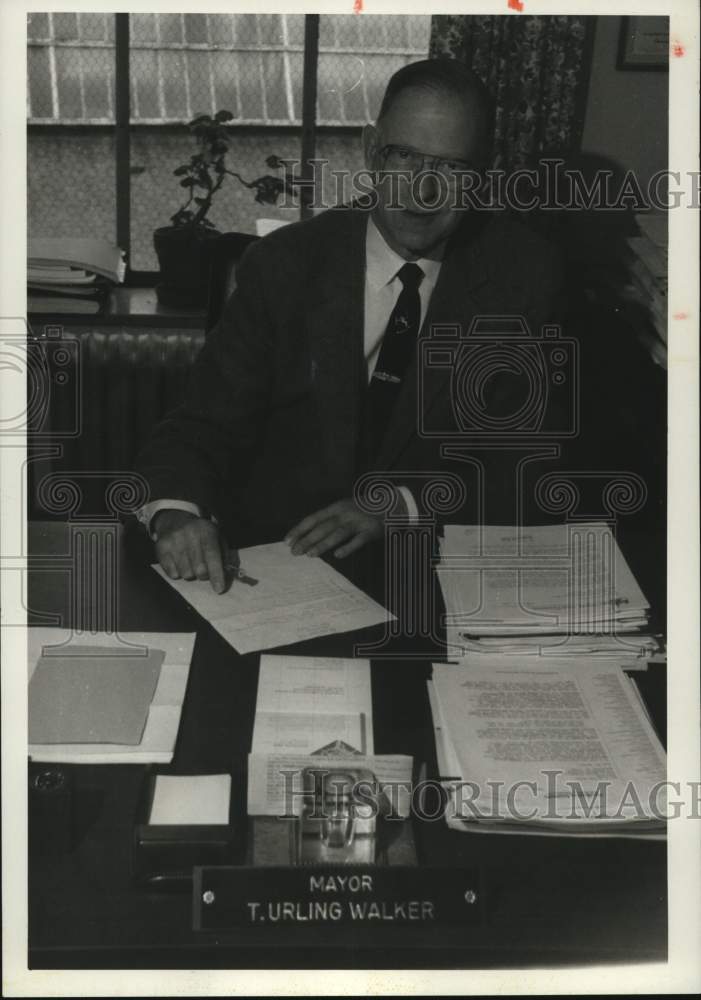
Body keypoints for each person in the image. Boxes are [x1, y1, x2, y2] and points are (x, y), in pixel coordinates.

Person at [135, 58, 562, 592]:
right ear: (369, 150)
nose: (422, 192)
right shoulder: (284, 265)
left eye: (452, 168)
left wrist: (402, 504)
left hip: (428, 571)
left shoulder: (524, 274)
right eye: (404, 156)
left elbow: (528, 457)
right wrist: (175, 513)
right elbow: (201, 424)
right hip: (274, 565)